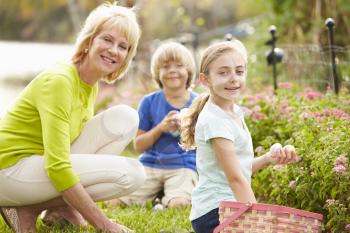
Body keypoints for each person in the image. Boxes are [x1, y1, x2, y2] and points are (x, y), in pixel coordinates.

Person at [0, 2, 145, 233]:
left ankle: (56, 208)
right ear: (89, 41)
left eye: (123, 46)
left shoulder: (89, 83)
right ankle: (25, 208)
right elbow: (57, 165)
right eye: (107, 39)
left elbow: (67, 149)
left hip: (37, 165)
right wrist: (105, 225)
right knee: (133, 174)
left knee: (125, 118)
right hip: (9, 171)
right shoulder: (60, 81)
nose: (114, 50)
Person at [180, 40, 299, 233]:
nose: (234, 78)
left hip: (229, 206)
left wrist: (267, 158)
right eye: (223, 72)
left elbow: (239, 169)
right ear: (205, 79)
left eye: (239, 71)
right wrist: (258, 222)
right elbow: (236, 179)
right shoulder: (215, 120)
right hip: (214, 214)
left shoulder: (233, 110)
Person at [115, 41, 198, 208]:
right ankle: (159, 196)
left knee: (179, 204)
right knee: (115, 202)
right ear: (157, 73)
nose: (172, 70)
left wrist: (188, 129)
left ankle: (165, 198)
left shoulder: (198, 103)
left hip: (183, 166)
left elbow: (206, 145)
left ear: (188, 71)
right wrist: (161, 128)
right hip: (149, 166)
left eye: (179, 65)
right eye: (166, 67)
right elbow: (138, 146)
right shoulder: (149, 102)